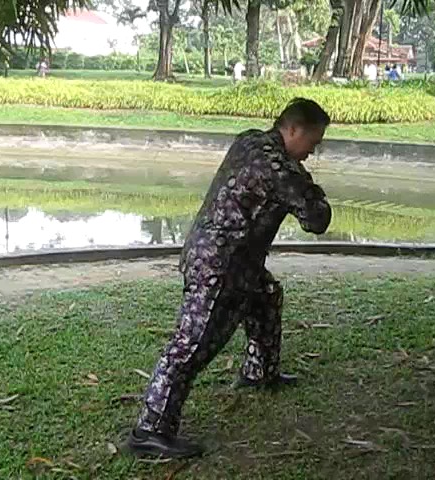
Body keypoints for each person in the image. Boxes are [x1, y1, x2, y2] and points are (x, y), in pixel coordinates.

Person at [123, 97, 333, 459]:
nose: (312, 152)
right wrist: (312, 192)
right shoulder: (279, 168)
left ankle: (259, 372)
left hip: (230, 259)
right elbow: (317, 220)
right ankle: (149, 430)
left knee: (266, 297)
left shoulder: (250, 139)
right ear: (293, 129)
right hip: (220, 267)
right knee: (190, 345)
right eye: (312, 142)